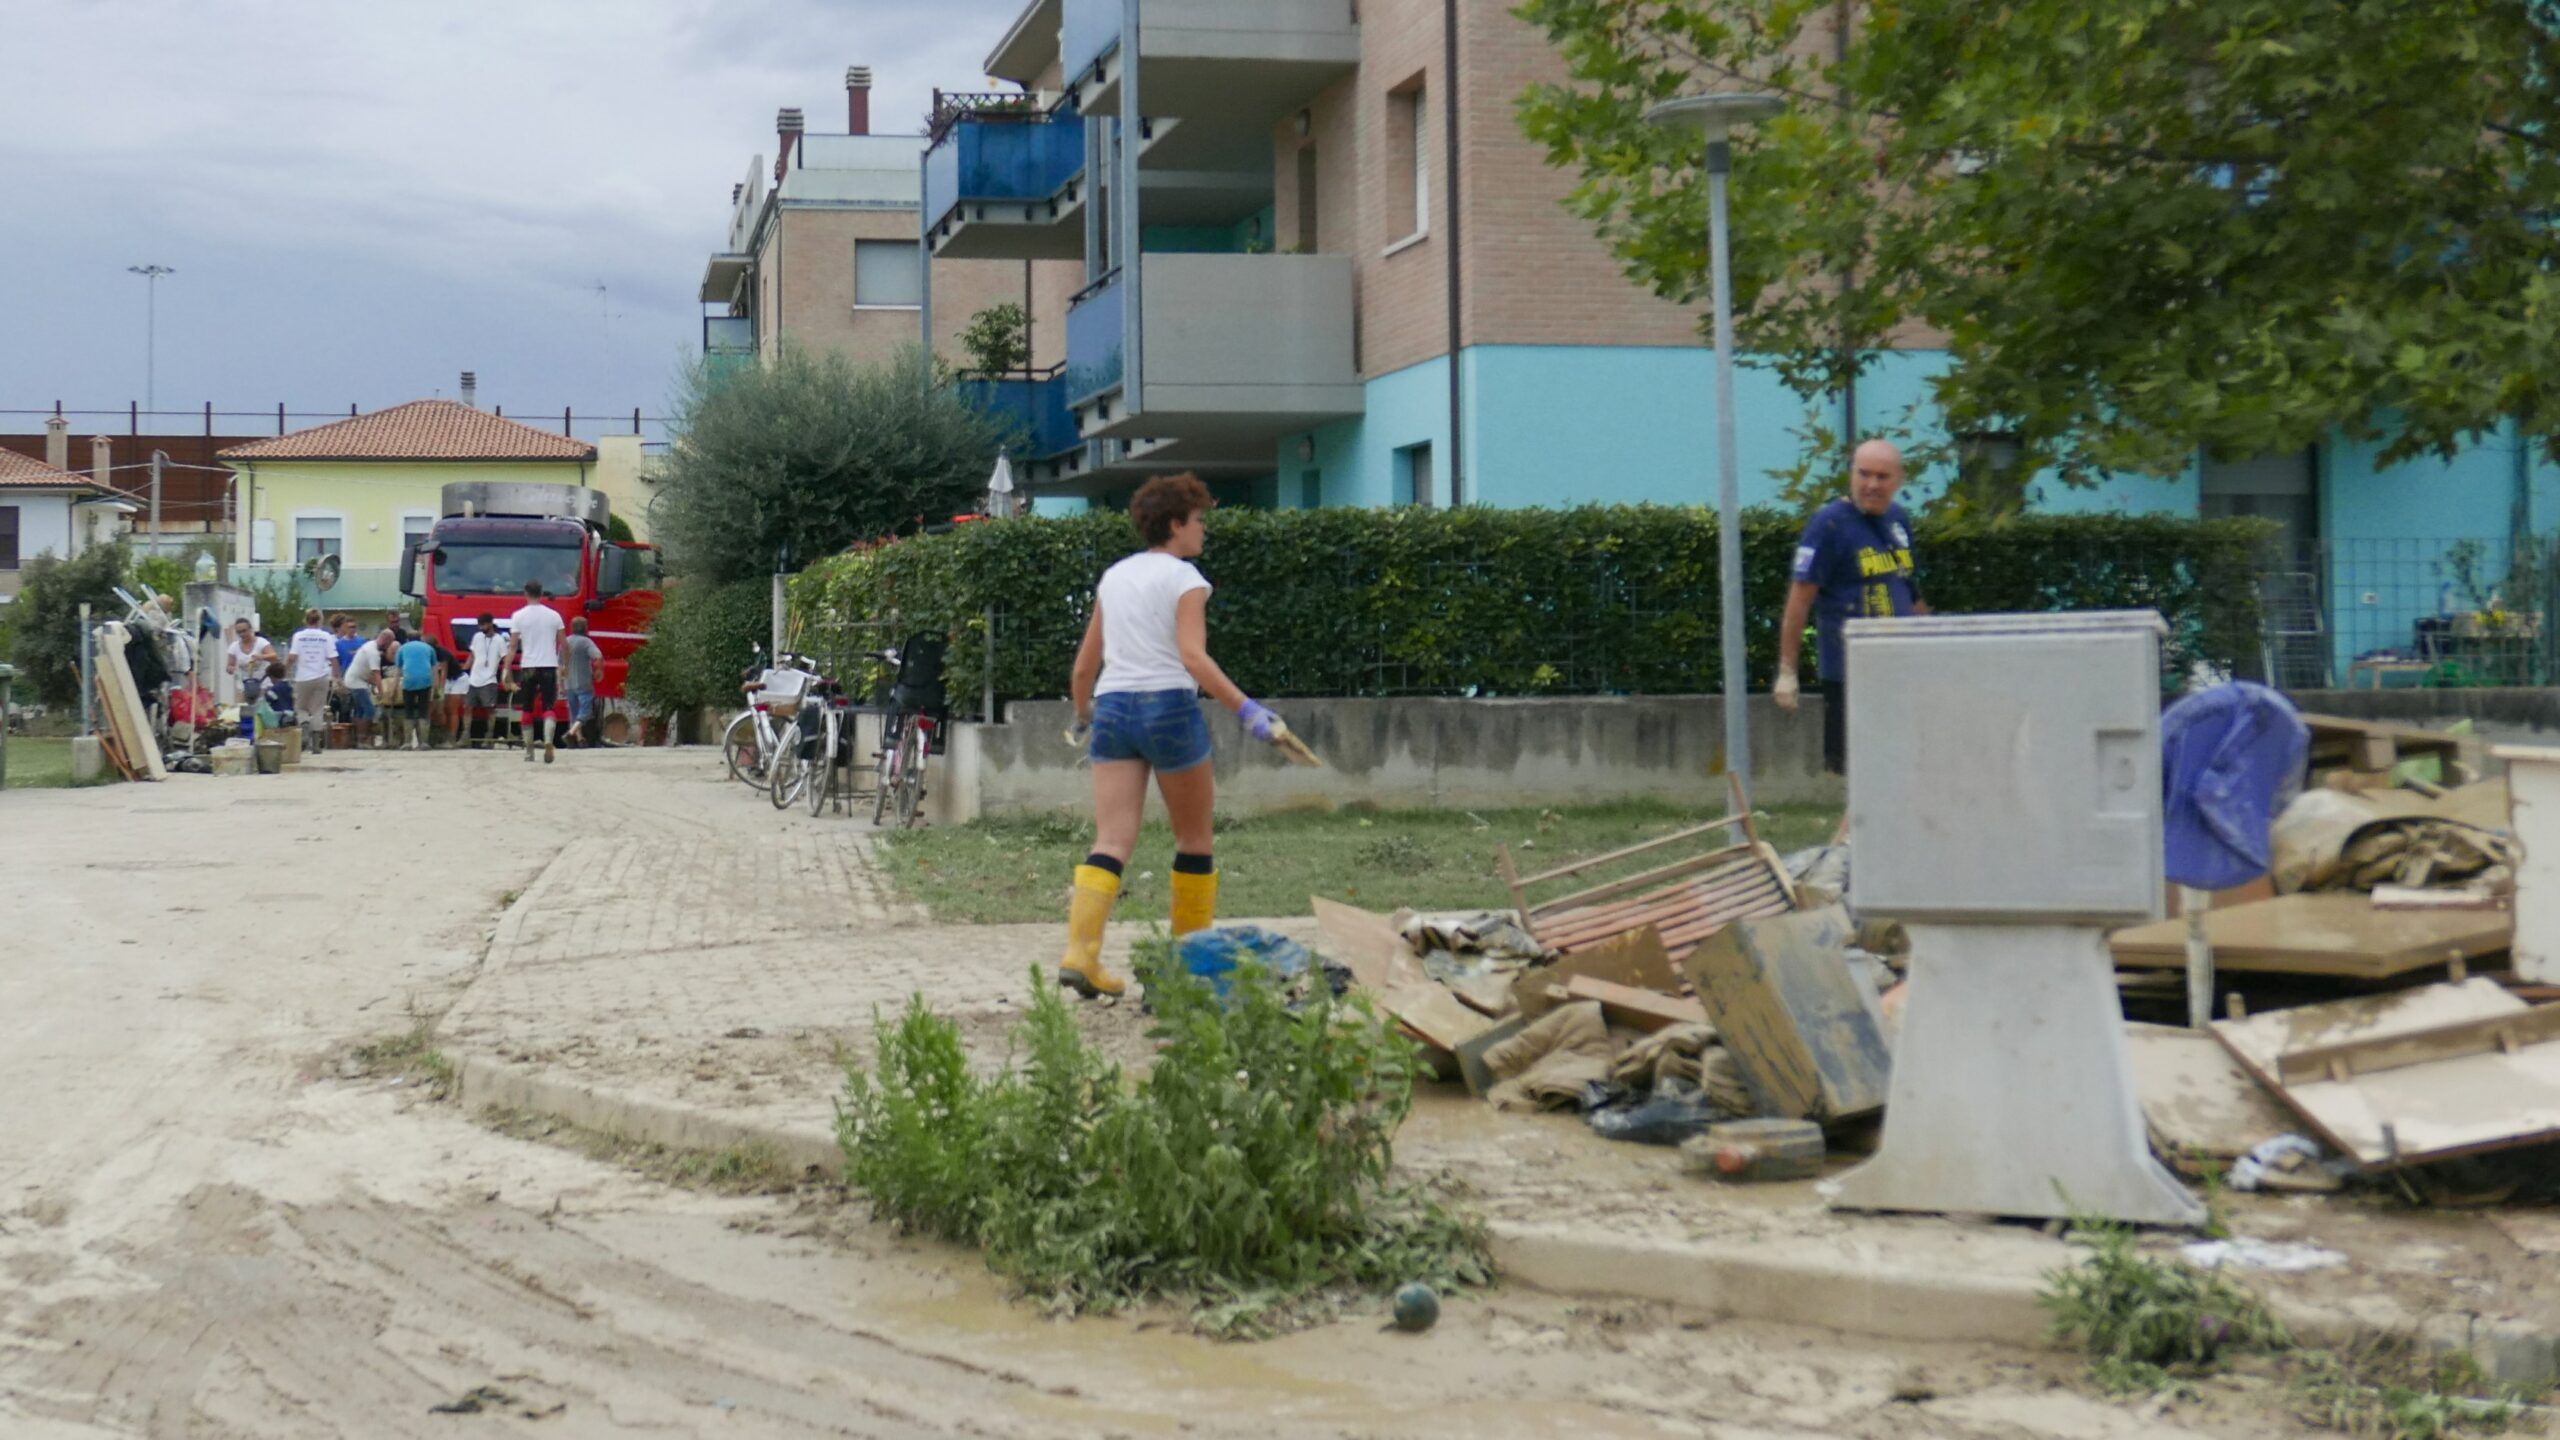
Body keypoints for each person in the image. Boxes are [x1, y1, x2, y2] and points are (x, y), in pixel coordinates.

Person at [1057, 473, 1289, 999]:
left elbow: (1082, 668)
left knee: (1111, 841)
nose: (1204, 529)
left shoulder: (1114, 577)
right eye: (1199, 519)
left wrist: (1082, 714)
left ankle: (1081, 954)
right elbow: (1191, 657)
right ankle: (1191, 971)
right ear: (1175, 524)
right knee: (1194, 841)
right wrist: (1246, 709)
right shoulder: (1186, 579)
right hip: (1168, 709)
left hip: (1112, 709)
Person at [1774, 439, 1930, 776]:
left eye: (1883, 477)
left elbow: (1909, 590)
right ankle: (1854, 830)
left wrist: (1932, 648)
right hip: (1850, 669)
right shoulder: (1829, 525)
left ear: (1899, 480)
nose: (1872, 485)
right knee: (1862, 768)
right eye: (1864, 474)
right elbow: (1799, 598)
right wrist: (1788, 671)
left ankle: (1870, 829)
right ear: (1850, 474)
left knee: (1901, 762)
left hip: (1898, 665)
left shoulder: (1898, 521)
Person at [506, 581, 568, 764]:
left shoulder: (518, 616)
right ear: (542, 593)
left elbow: (512, 646)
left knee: (527, 708)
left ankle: (529, 751)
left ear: (525, 593)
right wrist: (565, 665)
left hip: (528, 667)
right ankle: (548, 740)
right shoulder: (554, 615)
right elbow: (565, 645)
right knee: (548, 706)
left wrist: (507, 668)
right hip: (549, 665)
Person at [286, 608, 339, 753]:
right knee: (317, 709)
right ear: (320, 620)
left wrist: (284, 669)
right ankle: (316, 745)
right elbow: (333, 659)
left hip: (303, 677)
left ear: (305, 620)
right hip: (321, 676)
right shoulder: (326, 636)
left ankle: (304, 726)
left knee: (301, 707)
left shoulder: (298, 636)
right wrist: (337, 676)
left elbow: (292, 657)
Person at [339, 625, 389, 749]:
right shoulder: (373, 653)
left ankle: (357, 739)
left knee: (360, 711)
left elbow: (368, 673)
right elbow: (376, 674)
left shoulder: (369, 645)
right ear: (385, 640)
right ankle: (364, 740)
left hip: (353, 679)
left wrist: (373, 685)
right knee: (369, 710)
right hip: (356, 682)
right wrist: (382, 691)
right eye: (389, 643)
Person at [560, 617, 605, 748]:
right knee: (586, 711)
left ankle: (579, 739)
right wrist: (599, 670)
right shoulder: (586, 642)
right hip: (583, 682)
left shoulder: (565, 643)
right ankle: (571, 733)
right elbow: (598, 656)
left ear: (571, 627)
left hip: (569, 683)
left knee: (574, 712)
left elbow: (560, 666)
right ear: (585, 628)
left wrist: (560, 684)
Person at [394, 629, 442, 750]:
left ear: (407, 639)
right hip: (425, 681)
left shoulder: (402, 648)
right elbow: (435, 668)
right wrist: (436, 686)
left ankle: (407, 742)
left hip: (409, 681)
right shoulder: (429, 648)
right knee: (423, 711)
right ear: (420, 637)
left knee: (408, 711)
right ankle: (423, 742)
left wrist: (395, 687)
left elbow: (398, 670)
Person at [464, 613, 507, 748]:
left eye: (483, 624)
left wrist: (506, 677)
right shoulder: (477, 637)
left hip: (489, 680)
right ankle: (465, 735)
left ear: (489, 624)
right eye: (479, 625)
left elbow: (505, 659)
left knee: (490, 709)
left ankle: (488, 737)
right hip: (474, 679)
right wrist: (465, 668)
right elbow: (472, 655)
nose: (481, 627)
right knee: (467, 707)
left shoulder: (500, 640)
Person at [224, 618, 276, 705]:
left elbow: (274, 657)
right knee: (241, 710)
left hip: (262, 683)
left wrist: (261, 657)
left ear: (250, 629)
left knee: (261, 709)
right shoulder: (234, 647)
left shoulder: (262, 642)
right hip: (243, 685)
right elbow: (230, 665)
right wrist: (230, 669)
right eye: (239, 632)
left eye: (244, 631)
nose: (242, 634)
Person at [441, 639, 472, 746]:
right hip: (449, 680)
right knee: (445, 709)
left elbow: (444, 672)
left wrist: (439, 689)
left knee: (452, 709)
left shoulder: (442, 653)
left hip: (458, 679)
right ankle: (445, 737)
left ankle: (451, 739)